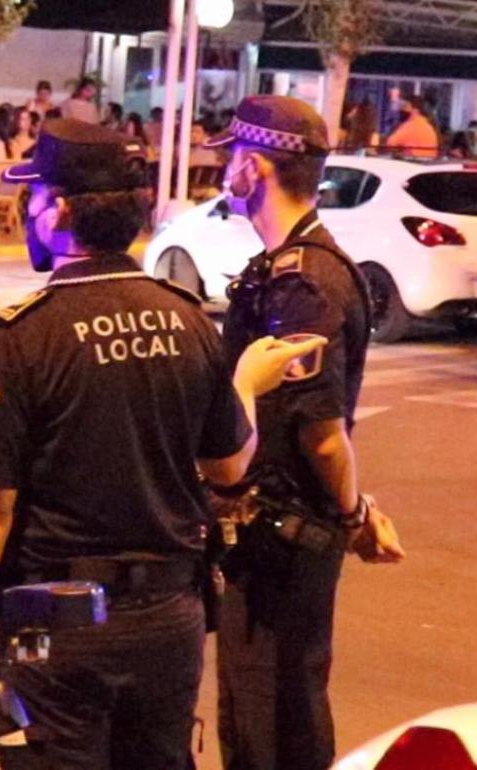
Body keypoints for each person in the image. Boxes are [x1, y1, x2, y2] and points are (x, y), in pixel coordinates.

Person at [0, 118, 326, 770]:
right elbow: (230, 466)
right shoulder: (186, 318)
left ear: (60, 210)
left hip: (53, 626)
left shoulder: (26, 335)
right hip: (169, 622)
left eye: (35, 199)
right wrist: (246, 387)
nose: (29, 212)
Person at [204, 95, 406, 770]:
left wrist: (354, 514)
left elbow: (321, 432)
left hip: (283, 544)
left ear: (255, 167)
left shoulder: (305, 283)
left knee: (274, 725)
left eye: (231, 156)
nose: (223, 169)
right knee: (262, 713)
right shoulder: (288, 266)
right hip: (273, 537)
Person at [385, 95, 439, 159]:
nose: (402, 109)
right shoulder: (429, 127)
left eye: (405, 106)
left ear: (415, 110)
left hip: (411, 164)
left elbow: (390, 143)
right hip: (428, 164)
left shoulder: (410, 126)